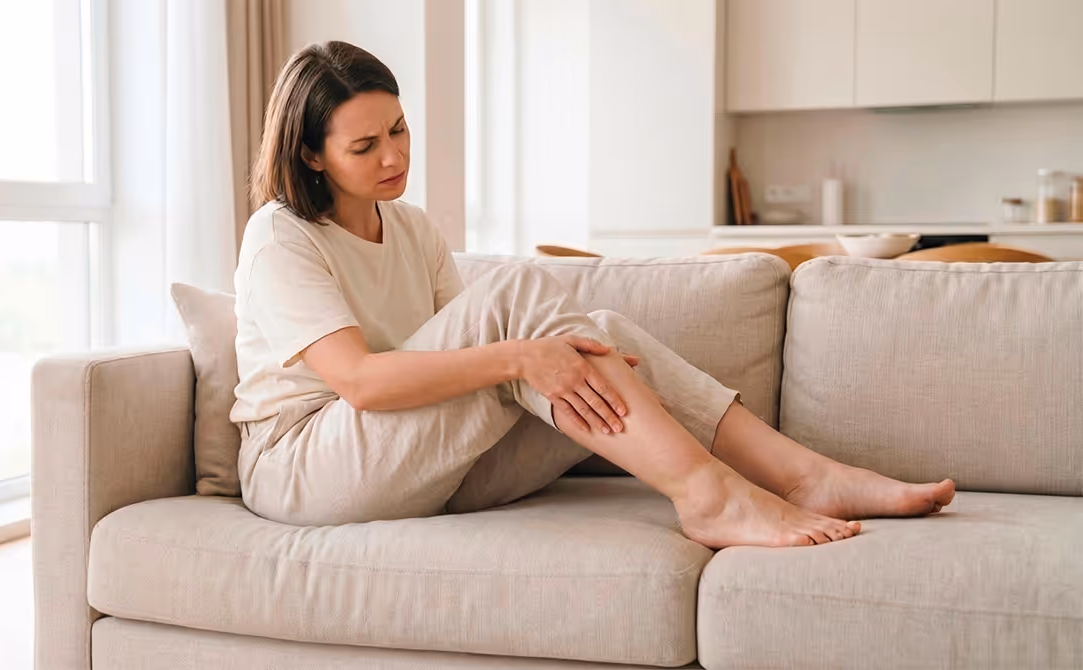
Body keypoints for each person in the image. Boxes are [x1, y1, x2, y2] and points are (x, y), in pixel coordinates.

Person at [231, 40, 955, 549]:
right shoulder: (281, 236)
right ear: (310, 152)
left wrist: (539, 361)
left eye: (399, 130)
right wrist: (521, 359)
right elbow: (358, 383)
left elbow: (468, 353)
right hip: (309, 466)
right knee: (519, 313)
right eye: (364, 147)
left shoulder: (411, 228)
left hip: (419, 465)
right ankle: (709, 495)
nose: (394, 156)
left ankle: (806, 475)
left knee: (601, 332)